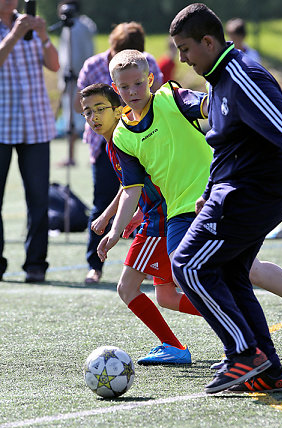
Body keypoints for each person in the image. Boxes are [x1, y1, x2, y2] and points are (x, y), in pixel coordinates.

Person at [98, 41, 282, 392]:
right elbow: (132, 188)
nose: (132, 91)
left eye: (138, 83)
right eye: (124, 87)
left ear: (152, 80)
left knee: (226, 271)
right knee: (209, 272)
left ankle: (259, 343)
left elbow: (212, 106)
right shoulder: (124, 135)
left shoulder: (173, 98)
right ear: (115, 89)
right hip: (178, 213)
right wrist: (115, 229)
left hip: (214, 199)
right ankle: (253, 350)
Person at [168, 3, 282, 394]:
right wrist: (206, 193)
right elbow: (223, 148)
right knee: (231, 273)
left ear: (208, 40)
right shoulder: (217, 79)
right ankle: (269, 370)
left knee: (188, 265)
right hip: (233, 191)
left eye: (185, 49)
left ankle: (242, 354)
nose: (181, 58)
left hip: (253, 192)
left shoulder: (242, 76)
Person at [79, 82, 199, 364]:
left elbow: (139, 186)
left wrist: (115, 228)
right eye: (87, 112)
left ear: (119, 109)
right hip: (159, 217)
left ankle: (176, 345)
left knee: (127, 287)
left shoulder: (124, 137)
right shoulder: (115, 142)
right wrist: (112, 215)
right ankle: (233, 319)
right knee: (167, 296)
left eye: (100, 109)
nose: (94, 117)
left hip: (159, 222)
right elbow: (132, 185)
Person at [75, 21, 163, 285]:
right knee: (102, 201)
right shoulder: (93, 65)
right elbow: (81, 99)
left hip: (142, 142)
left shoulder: (147, 62)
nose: (130, 91)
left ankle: (150, 263)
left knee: (148, 200)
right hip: (104, 145)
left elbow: (155, 94)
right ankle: (95, 265)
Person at [0, 0, 59, 282]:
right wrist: (14, 35)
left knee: (38, 201)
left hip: (36, 125)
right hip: (1, 125)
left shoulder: (30, 24)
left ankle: (36, 264)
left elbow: (55, 65)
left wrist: (44, 35)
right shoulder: (15, 29)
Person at [57, 0, 97, 166]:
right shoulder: (86, 25)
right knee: (90, 116)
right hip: (87, 75)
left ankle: (72, 156)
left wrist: (66, 80)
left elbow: (70, 57)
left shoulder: (73, 28)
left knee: (73, 120)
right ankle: (93, 155)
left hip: (75, 79)